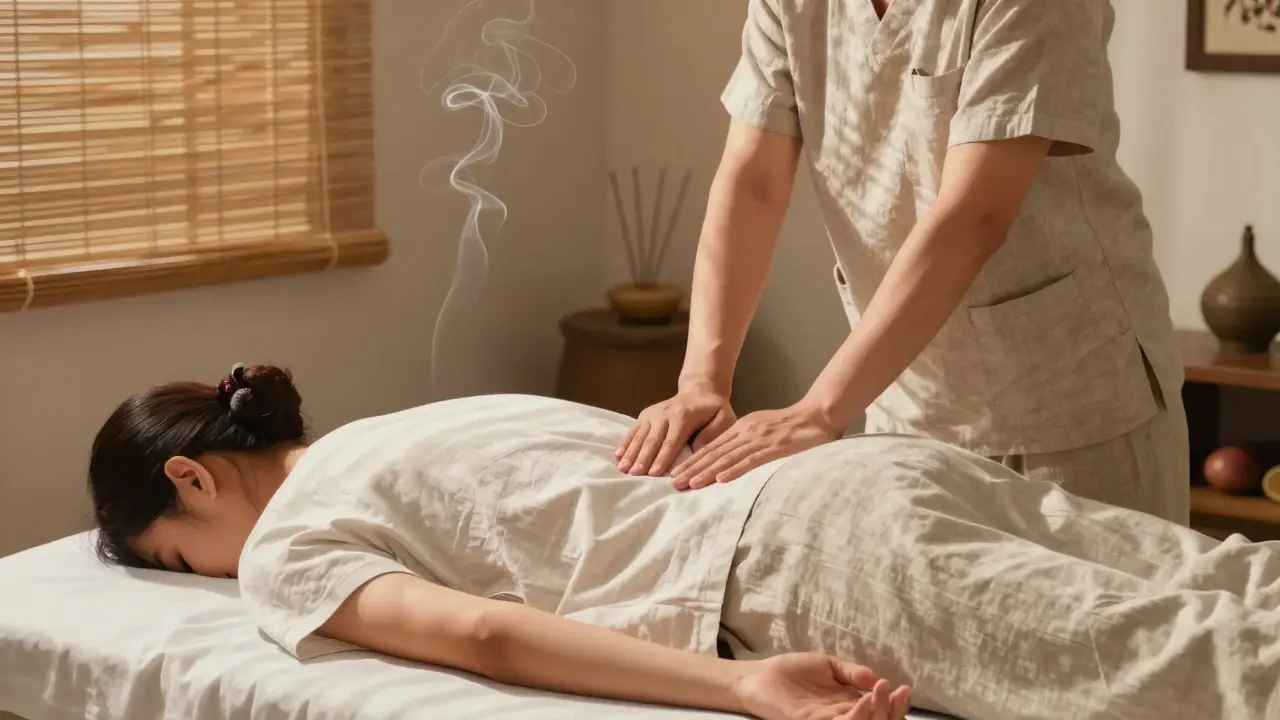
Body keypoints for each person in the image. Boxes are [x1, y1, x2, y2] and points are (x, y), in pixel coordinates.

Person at [88, 365, 1279, 720]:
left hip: (807, 554)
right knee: (1228, 583)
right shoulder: (421, 413)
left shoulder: (290, 543)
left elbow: (489, 637)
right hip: (870, 468)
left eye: (185, 557)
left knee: (1195, 676)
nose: (215, 579)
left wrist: (741, 683)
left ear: (191, 477)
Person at [616, 0, 1189, 525]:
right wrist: (701, 382)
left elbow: (974, 216)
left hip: (1073, 403)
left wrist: (819, 409)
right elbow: (754, 182)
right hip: (902, 396)